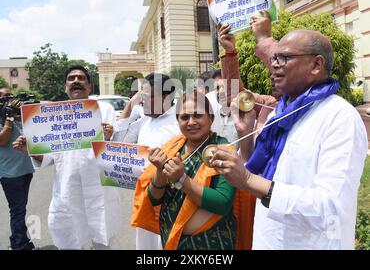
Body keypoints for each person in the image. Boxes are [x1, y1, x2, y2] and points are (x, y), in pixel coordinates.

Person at [209, 29, 368, 249]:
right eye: (274, 57)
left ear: (316, 65)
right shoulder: (278, 115)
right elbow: (263, 174)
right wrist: (244, 134)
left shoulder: (340, 117)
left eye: (284, 57)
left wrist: (246, 179)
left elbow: (330, 206)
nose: (274, 64)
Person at [13, 65, 121, 250]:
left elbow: (118, 153)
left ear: (89, 86)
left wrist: (110, 138)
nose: (76, 81)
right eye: (71, 78)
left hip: (99, 189)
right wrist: (32, 150)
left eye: (81, 78)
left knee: (102, 241)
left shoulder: (105, 109)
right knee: (69, 240)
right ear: (65, 87)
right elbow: (49, 157)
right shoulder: (52, 115)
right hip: (68, 191)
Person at [131, 92, 255, 250]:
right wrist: (160, 171)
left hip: (212, 243)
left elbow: (223, 202)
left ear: (210, 117)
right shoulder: (172, 148)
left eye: (198, 115)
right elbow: (154, 199)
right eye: (184, 117)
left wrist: (182, 180)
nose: (191, 122)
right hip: (173, 241)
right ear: (177, 120)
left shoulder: (223, 150)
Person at [112, 73, 180, 250]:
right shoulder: (144, 122)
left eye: (146, 97)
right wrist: (129, 104)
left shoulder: (182, 122)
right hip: (145, 199)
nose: (141, 102)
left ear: (165, 97)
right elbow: (119, 143)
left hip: (174, 200)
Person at [0, 87, 36, 250]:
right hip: (10, 173)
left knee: (20, 209)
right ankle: (21, 245)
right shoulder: (6, 118)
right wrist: (9, 118)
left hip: (25, 169)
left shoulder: (19, 116)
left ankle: (17, 240)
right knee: (17, 210)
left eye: (10, 96)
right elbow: (2, 141)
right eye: (4, 97)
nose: (8, 99)